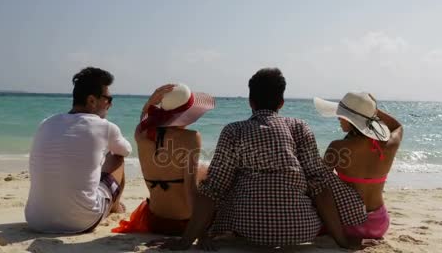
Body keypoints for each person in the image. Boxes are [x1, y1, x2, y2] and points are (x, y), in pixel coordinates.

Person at [155, 68, 367, 250]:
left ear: (250, 102)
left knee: (217, 178)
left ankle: (213, 231)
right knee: (319, 176)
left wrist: (186, 241)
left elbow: (214, 189)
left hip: (249, 229)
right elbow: (320, 188)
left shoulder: (234, 131)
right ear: (281, 103)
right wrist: (341, 240)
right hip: (301, 230)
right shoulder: (299, 127)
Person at [25, 67, 132, 233]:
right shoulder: (106, 127)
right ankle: (115, 206)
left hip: (36, 219)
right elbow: (126, 150)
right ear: (91, 100)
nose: (110, 104)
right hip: (82, 221)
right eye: (108, 99)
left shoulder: (47, 123)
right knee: (116, 156)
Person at [112, 83, 214, 235]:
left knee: (202, 170)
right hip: (183, 223)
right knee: (210, 176)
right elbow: (190, 189)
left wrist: (149, 104)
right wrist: (199, 232)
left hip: (154, 220)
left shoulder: (141, 134)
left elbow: (144, 121)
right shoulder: (191, 138)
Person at [314, 92, 403, 239]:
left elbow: (320, 185)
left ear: (352, 120)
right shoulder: (389, 145)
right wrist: (372, 111)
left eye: (342, 115)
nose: (338, 118)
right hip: (380, 224)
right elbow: (397, 126)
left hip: (350, 224)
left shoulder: (337, 147)